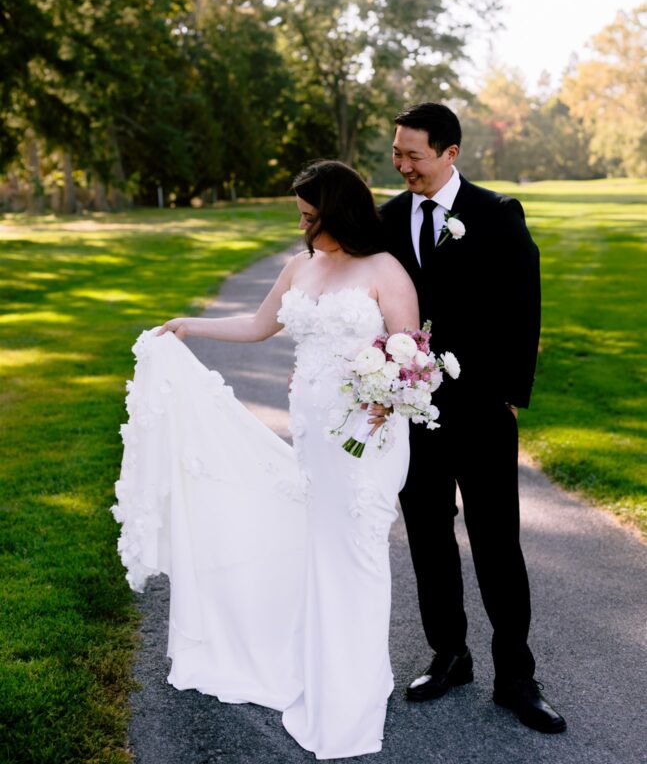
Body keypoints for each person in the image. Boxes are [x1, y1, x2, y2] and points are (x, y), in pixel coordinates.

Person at [113, 160, 420, 761]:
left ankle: (352, 698)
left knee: (356, 556)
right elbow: (260, 326)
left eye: (312, 215)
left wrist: (390, 400)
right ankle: (325, 670)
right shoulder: (300, 266)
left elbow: (411, 359)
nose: (304, 227)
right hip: (314, 437)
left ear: (340, 212)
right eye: (301, 217)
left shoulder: (385, 270)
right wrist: (187, 326)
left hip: (369, 440)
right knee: (323, 555)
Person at [379, 102, 566, 734]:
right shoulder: (386, 220)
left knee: (496, 542)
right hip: (414, 414)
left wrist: (511, 392)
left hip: (483, 410)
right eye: (397, 154)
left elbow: (524, 301)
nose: (403, 165)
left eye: (414, 155)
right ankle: (448, 654)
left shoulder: (495, 214)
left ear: (450, 153)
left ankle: (516, 674)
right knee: (428, 536)